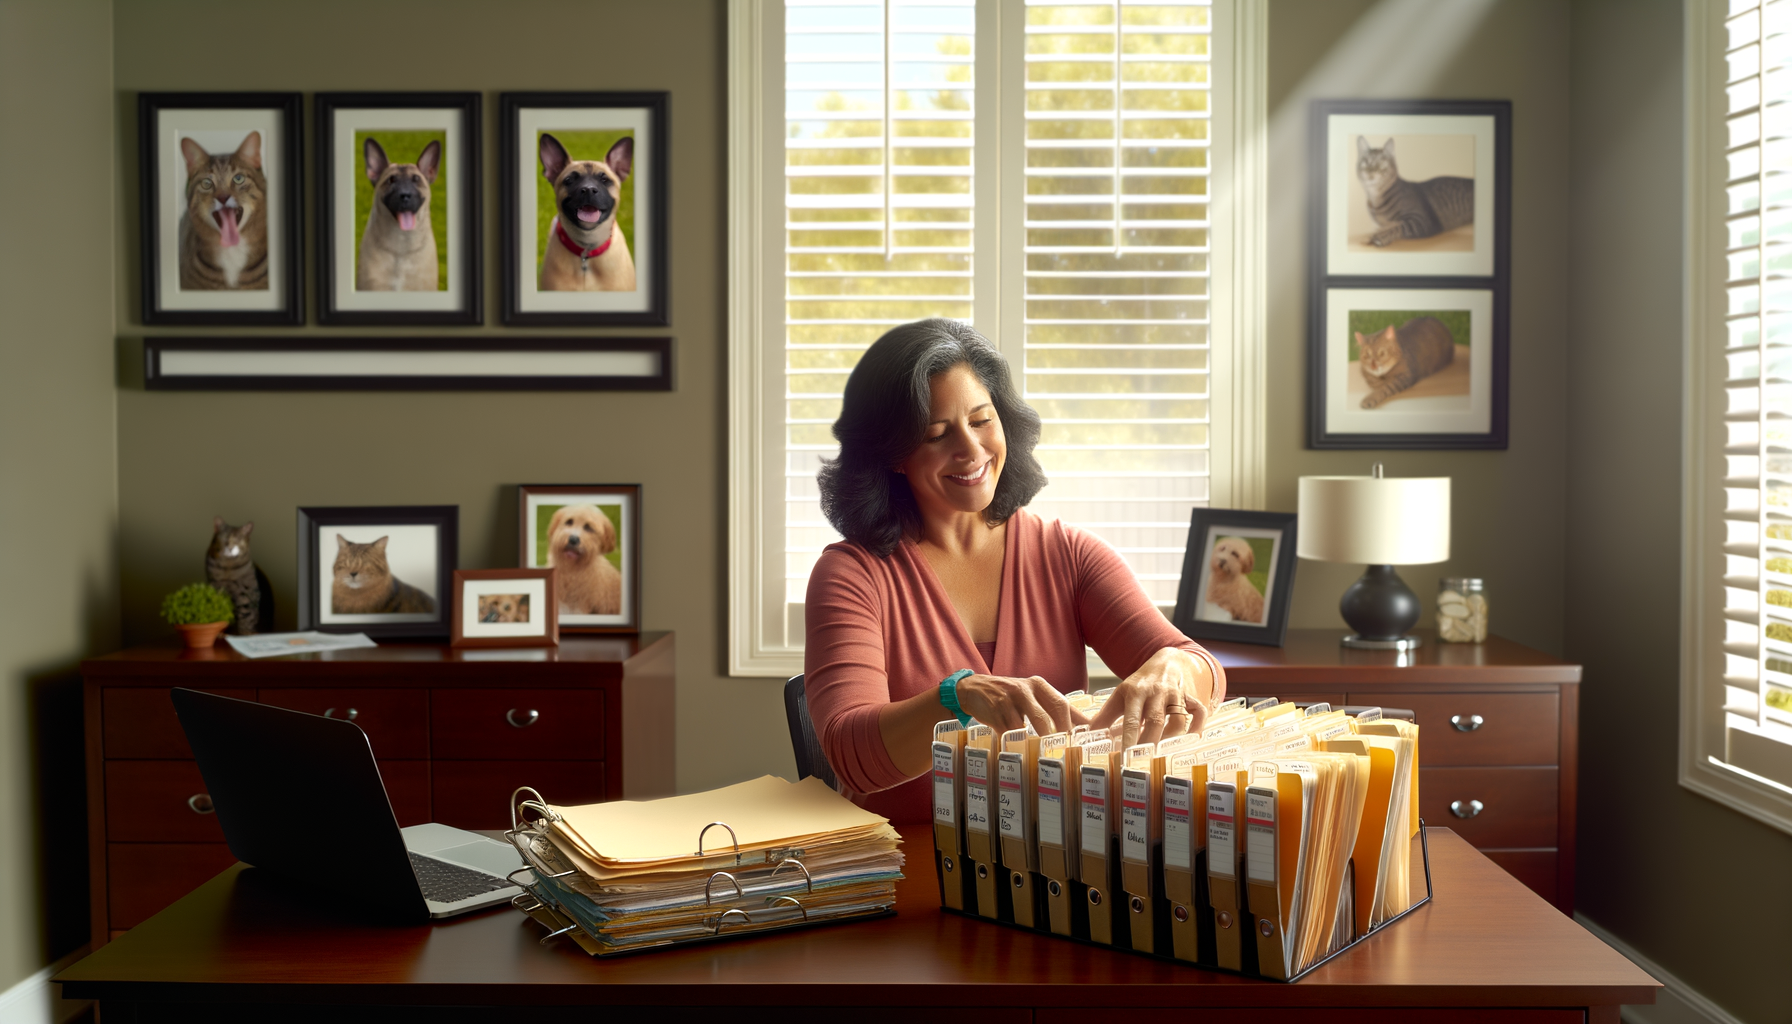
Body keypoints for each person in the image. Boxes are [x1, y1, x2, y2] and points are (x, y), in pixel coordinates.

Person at [804, 319, 1227, 824]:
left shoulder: (1067, 554)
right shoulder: (851, 575)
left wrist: (1173, 669)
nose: (970, 450)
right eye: (937, 434)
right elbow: (851, 755)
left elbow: (1200, 666)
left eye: (982, 420)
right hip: (908, 871)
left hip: (1056, 866)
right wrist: (955, 698)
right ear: (894, 455)